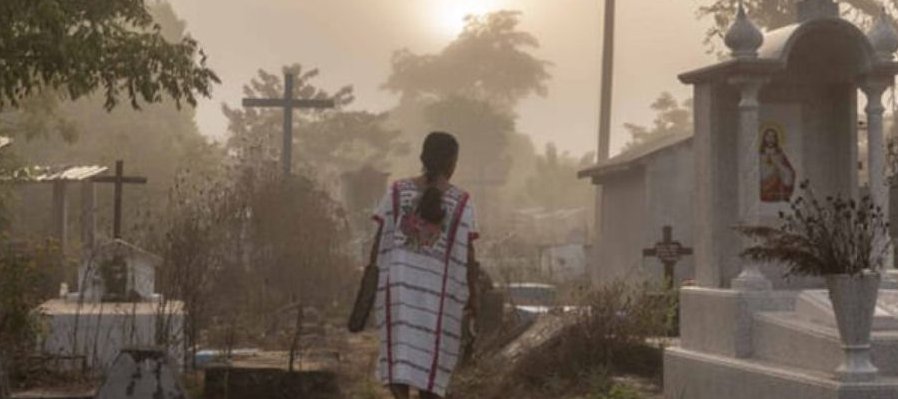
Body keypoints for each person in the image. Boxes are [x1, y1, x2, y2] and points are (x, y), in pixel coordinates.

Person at [369, 132, 479, 399]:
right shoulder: (462, 202)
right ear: (452, 162)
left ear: (423, 158)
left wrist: (373, 276)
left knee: (400, 353)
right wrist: (473, 295)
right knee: (433, 357)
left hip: (398, 290)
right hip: (438, 298)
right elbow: (468, 255)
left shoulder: (397, 192)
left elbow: (379, 240)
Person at [759, 128, 796, 203]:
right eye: (768, 136)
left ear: (776, 139)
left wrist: (779, 165)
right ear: (764, 138)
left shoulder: (780, 155)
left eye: (773, 136)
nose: (770, 139)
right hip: (761, 186)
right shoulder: (758, 155)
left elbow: (790, 173)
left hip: (776, 189)